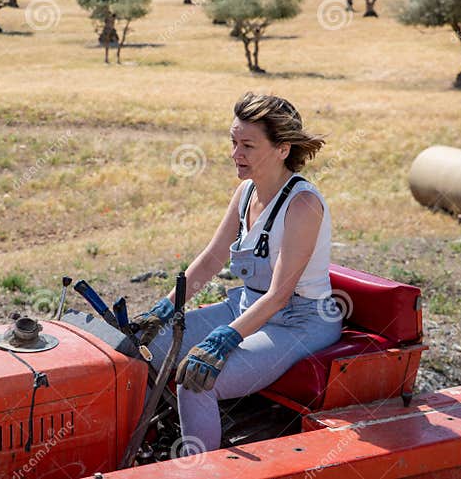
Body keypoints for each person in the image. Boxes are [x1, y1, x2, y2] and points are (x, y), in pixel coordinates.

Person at [130, 92, 343, 455]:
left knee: (197, 379)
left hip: (297, 322)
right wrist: (166, 309)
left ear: (282, 149)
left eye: (247, 145)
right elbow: (212, 258)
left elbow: (279, 295)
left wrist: (223, 340)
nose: (235, 154)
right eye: (233, 142)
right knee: (142, 349)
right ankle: (141, 452)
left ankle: (204, 470)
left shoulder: (303, 204)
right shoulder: (245, 192)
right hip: (246, 308)